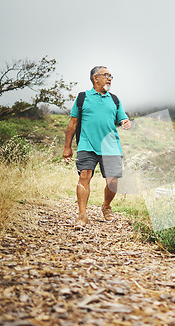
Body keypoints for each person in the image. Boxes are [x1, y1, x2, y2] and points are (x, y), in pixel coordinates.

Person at [63, 66, 131, 229]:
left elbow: (122, 118)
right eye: (106, 75)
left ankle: (106, 205)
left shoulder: (114, 100)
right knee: (85, 175)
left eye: (110, 76)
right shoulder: (82, 97)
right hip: (87, 144)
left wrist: (125, 122)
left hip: (111, 146)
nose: (109, 78)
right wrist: (67, 147)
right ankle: (82, 216)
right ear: (95, 78)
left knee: (113, 182)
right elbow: (72, 123)